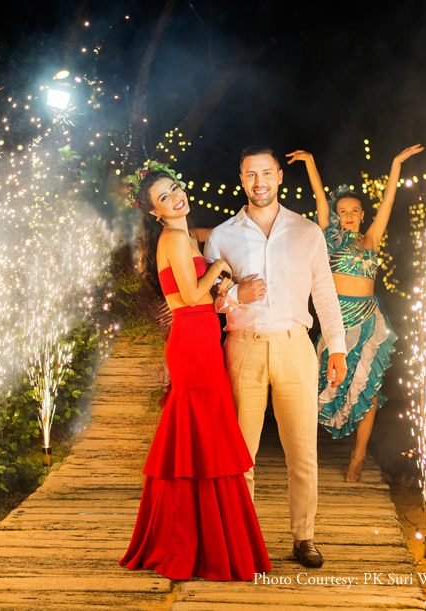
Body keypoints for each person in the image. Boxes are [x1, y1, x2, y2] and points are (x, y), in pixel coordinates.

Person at [119, 161, 272, 581]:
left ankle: (206, 537)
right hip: (191, 341)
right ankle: (189, 541)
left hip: (201, 337)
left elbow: (197, 294)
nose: (175, 198)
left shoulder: (184, 236)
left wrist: (218, 280)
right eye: (163, 197)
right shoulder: (172, 238)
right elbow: (189, 295)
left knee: (205, 435)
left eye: (174, 188)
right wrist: (218, 269)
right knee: (197, 433)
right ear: (154, 211)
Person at [203, 147, 347, 569]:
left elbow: (324, 292)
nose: (259, 181)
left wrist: (337, 346)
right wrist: (235, 294)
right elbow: (208, 300)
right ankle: (241, 539)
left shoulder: (307, 231)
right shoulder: (222, 236)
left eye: (266, 173)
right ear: (241, 179)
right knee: (240, 456)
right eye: (251, 174)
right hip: (242, 347)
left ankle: (304, 536)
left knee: (302, 453)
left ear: (280, 176)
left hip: (295, 346)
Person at [286, 145, 422, 483]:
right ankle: (304, 456)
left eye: (354, 211)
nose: (348, 215)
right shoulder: (328, 240)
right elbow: (320, 199)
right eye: (342, 211)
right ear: (337, 215)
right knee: (320, 384)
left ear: (362, 214)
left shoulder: (371, 239)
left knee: (367, 389)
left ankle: (358, 457)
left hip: (367, 321)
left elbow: (388, 201)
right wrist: (311, 162)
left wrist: (396, 163)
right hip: (337, 321)